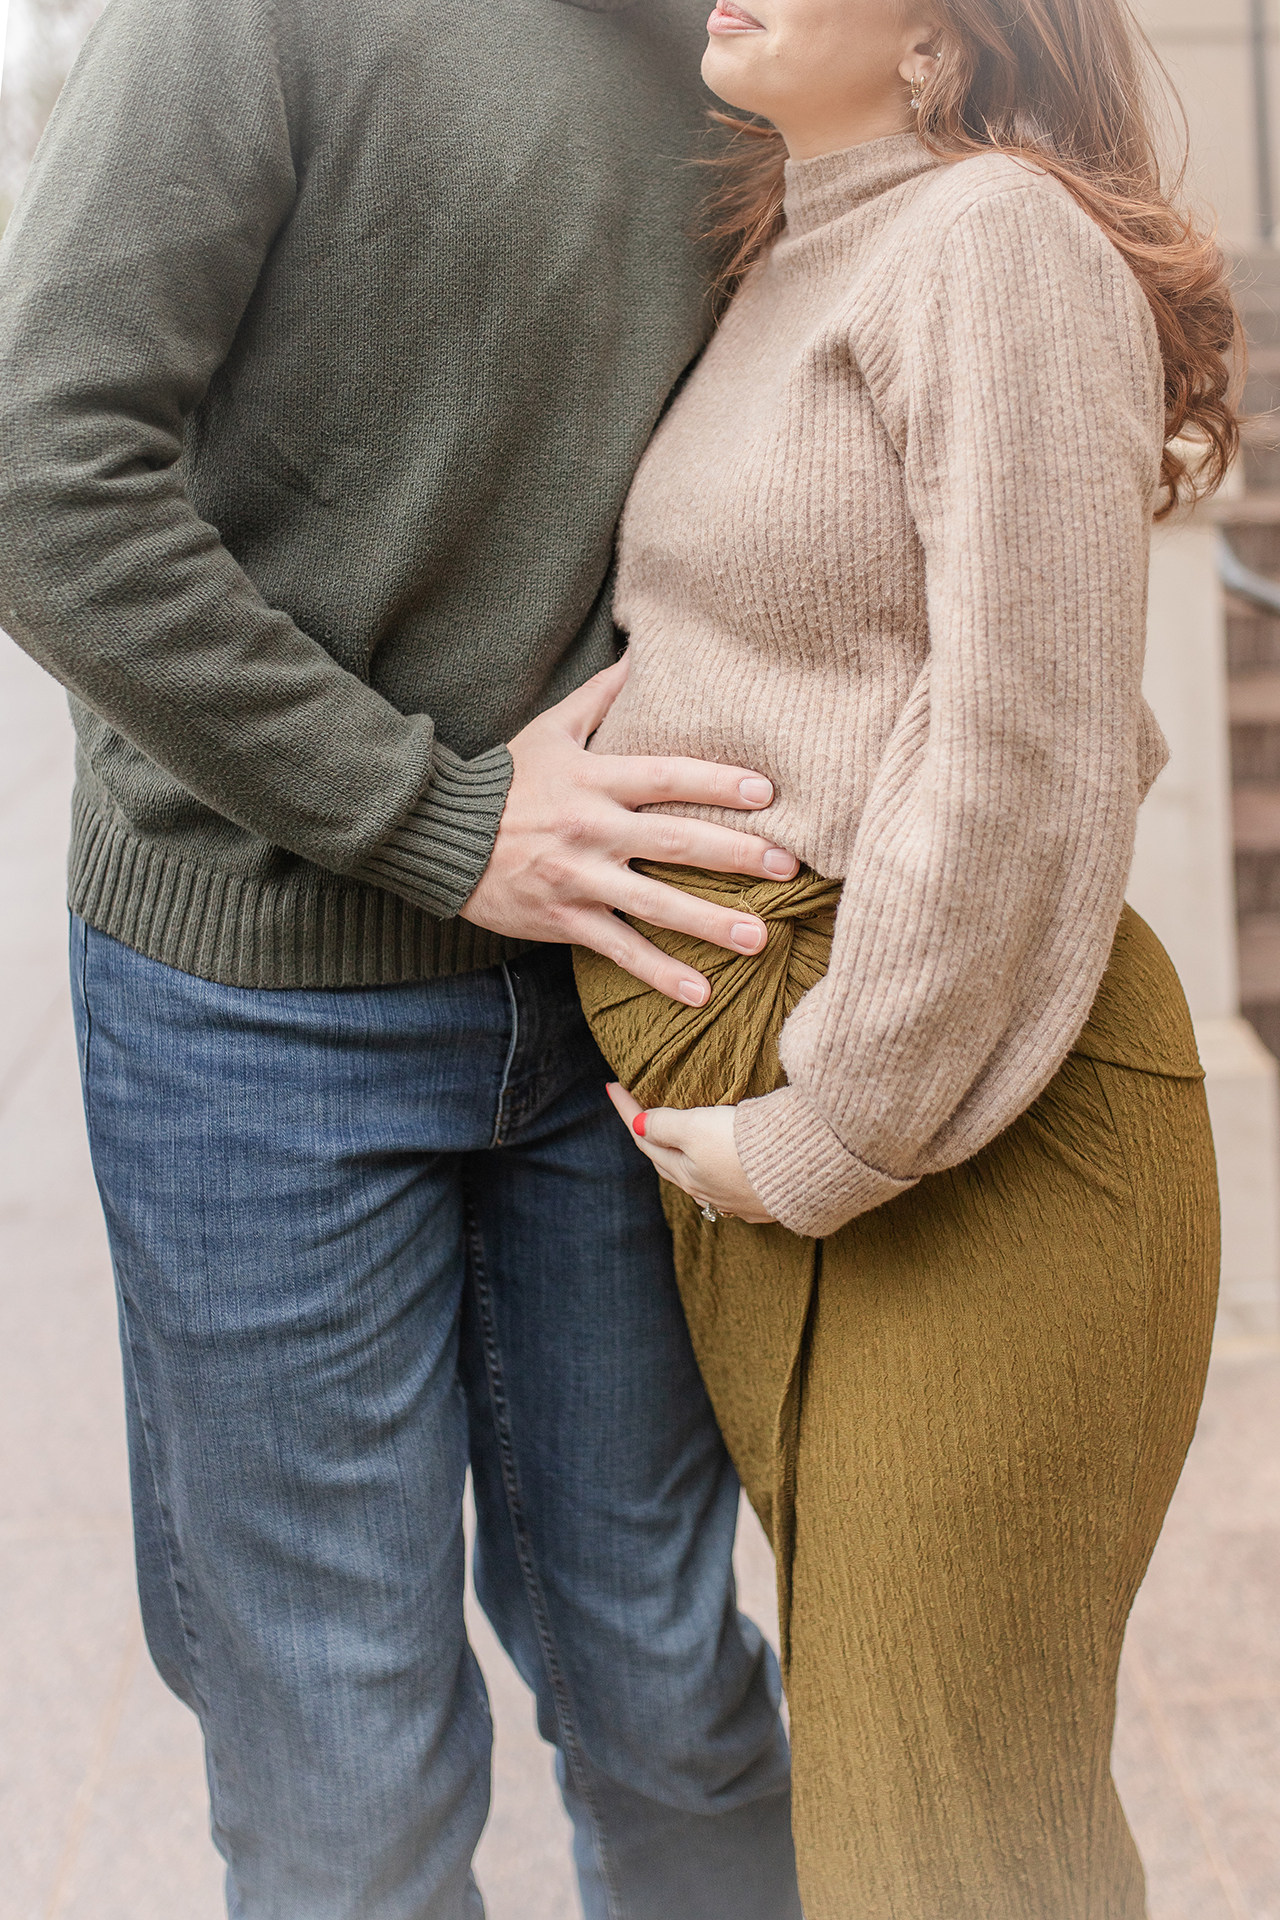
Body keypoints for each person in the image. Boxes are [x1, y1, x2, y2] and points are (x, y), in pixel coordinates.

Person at [0, 2, 809, 1915]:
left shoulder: (763, 48)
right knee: (342, 1759)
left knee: (672, 1693)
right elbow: (43, 474)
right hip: (257, 1011)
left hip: (622, 997)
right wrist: (435, 820)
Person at [574, 0, 1238, 1913]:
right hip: (813, 1159)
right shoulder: (795, 246)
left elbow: (1026, 745)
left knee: (943, 1852)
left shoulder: (992, 236)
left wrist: (820, 1132)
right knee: (907, 1826)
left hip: (967, 1149)